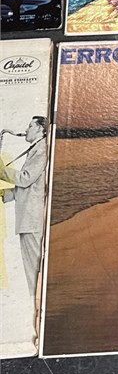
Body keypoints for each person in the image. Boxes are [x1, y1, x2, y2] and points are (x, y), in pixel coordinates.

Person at [0, 117, 47, 296]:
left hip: (32, 219)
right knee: (32, 270)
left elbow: (25, 179)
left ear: (41, 130)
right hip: (29, 219)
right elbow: (30, 187)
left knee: (35, 270)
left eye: (30, 126)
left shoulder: (41, 149)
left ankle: (37, 303)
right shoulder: (37, 149)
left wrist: (1, 171)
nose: (26, 130)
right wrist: (5, 194)